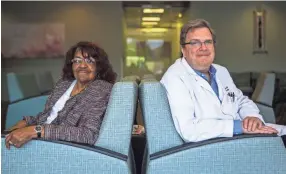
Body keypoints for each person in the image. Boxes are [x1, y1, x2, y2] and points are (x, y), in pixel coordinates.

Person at [160, 19, 286, 143]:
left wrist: (252, 117)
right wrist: (239, 127)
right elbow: (189, 130)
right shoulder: (175, 77)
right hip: (218, 145)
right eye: (195, 43)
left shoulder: (221, 71)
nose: (203, 47)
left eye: (208, 42)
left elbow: (241, 100)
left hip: (241, 136)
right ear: (183, 49)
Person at [5, 41, 117, 148]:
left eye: (89, 61)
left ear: (99, 66)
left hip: (58, 146)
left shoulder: (100, 88)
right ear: (72, 64)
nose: (82, 65)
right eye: (77, 60)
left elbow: (88, 135)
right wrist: (26, 122)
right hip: (40, 138)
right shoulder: (64, 84)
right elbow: (48, 115)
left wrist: (36, 130)